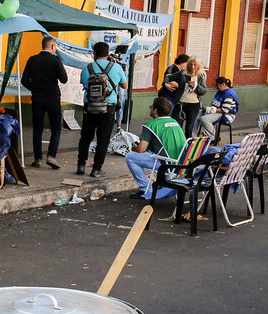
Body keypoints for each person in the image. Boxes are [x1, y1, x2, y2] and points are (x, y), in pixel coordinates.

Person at [76, 41, 128, 177]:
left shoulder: (87, 68)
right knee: (103, 139)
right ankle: (96, 168)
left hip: (90, 107)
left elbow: (83, 83)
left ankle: (81, 165)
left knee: (85, 137)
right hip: (108, 108)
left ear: (94, 54)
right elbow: (124, 85)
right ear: (107, 54)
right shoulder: (116, 67)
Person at [125, 97, 186, 199]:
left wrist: (134, 147)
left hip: (167, 164)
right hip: (183, 163)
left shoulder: (150, 125)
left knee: (130, 157)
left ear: (155, 110)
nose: (150, 109)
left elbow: (141, 150)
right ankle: (166, 183)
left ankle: (145, 189)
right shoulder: (175, 122)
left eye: (151, 107)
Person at [21, 35, 68, 169]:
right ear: (53, 47)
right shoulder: (56, 60)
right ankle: (51, 156)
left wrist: (35, 89)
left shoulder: (32, 60)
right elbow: (64, 79)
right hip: (53, 98)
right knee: (56, 128)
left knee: (37, 128)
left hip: (37, 98)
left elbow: (24, 81)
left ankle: (38, 159)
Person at [164, 58, 206, 136]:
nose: (192, 67)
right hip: (180, 103)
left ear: (198, 66)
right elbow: (168, 77)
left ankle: (188, 147)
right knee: (177, 127)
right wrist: (166, 84)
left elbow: (203, 91)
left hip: (194, 105)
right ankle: (177, 145)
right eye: (190, 64)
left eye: (195, 65)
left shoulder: (201, 76)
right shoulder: (183, 73)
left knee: (189, 129)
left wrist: (196, 86)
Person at [196, 77, 238, 143]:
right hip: (218, 112)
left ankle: (212, 138)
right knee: (196, 115)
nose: (216, 87)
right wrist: (207, 108)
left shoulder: (229, 94)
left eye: (217, 85)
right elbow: (214, 103)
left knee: (204, 119)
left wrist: (209, 110)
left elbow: (224, 110)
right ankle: (193, 136)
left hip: (227, 115)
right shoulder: (220, 91)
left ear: (223, 84)